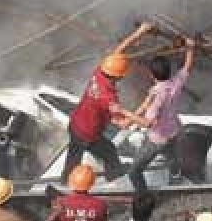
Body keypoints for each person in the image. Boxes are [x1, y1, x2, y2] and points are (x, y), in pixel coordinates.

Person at [64, 22, 156, 182]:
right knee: (109, 152)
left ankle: (67, 178)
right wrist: (146, 106)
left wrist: (139, 33)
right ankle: (114, 177)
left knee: (74, 154)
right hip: (89, 134)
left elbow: (119, 50)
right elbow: (123, 123)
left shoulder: (101, 71)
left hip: (75, 124)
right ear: (119, 77)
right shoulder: (108, 97)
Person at [128, 39, 197, 193]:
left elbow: (148, 123)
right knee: (171, 156)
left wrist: (126, 113)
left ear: (152, 74)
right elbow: (187, 66)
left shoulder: (156, 94)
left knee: (134, 171)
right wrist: (190, 48)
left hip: (157, 138)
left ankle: (142, 195)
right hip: (174, 131)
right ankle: (175, 176)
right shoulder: (175, 83)